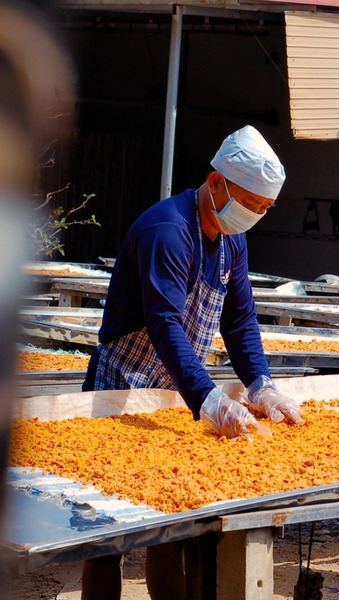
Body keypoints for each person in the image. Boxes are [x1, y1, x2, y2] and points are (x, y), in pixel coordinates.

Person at [80, 125, 304, 600]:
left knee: (170, 522)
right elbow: (164, 322)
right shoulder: (170, 231)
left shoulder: (230, 238)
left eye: (263, 210)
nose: (254, 215)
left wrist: (261, 384)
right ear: (217, 182)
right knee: (105, 532)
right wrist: (207, 398)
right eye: (250, 203)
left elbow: (239, 319)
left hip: (170, 391)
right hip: (122, 386)